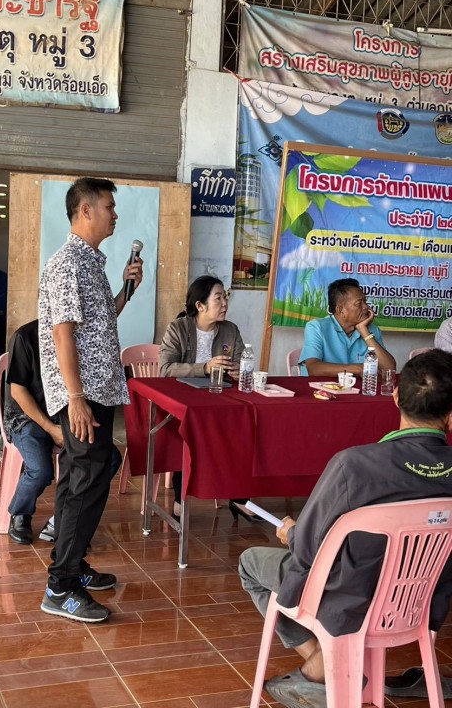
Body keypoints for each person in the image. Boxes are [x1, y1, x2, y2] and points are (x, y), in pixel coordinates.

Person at [239, 349, 452, 708]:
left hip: (344, 601)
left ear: (395, 397)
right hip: (418, 604)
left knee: (250, 563)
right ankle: (326, 666)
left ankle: (325, 666)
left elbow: (306, 549)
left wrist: (291, 532)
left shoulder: (354, 465)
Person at [38, 176, 143, 624]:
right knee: (86, 478)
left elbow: (99, 325)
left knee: (84, 476)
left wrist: (125, 291)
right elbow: (63, 333)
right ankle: (60, 587)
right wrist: (75, 397)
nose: (114, 215)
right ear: (85, 210)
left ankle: (72, 561)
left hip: (98, 388)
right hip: (82, 393)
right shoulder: (67, 264)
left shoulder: (90, 263)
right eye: (109, 207)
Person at [3, 319, 123, 545]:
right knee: (41, 470)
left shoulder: (79, 335)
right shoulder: (25, 336)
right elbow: (18, 392)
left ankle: (64, 519)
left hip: (65, 413)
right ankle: (20, 512)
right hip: (27, 416)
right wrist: (51, 429)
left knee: (107, 457)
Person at [159, 276, 244, 517]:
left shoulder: (230, 330)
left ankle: (240, 497)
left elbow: (240, 363)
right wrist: (205, 367)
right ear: (200, 305)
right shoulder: (178, 328)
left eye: (225, 297)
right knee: (187, 432)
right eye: (218, 298)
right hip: (183, 401)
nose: (225, 303)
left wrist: (238, 371)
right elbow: (165, 369)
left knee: (244, 426)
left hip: (219, 400)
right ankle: (180, 498)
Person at [298, 277, 396, 376]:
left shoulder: (371, 329)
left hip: (357, 386)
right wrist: (356, 369)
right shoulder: (317, 327)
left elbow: (389, 369)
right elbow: (313, 368)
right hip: (321, 385)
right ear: (341, 310)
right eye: (359, 303)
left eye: (365, 301)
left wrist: (364, 331)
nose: (366, 307)